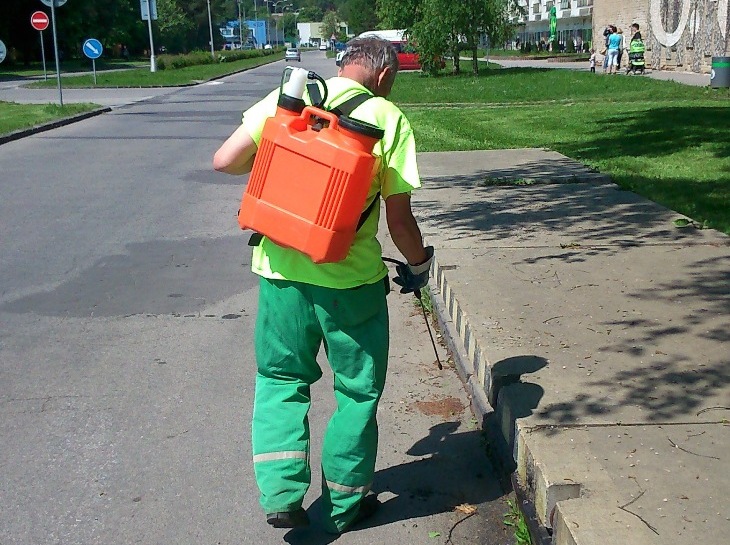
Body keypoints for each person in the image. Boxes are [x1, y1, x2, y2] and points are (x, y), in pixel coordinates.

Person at [213, 37, 433, 534]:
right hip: (351, 284)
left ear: (342, 64)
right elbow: (400, 221)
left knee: (280, 380)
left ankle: (281, 494)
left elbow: (224, 161)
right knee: (357, 392)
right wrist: (420, 265)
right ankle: (344, 504)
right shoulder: (387, 118)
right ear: (383, 75)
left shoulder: (290, 98)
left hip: (280, 275)